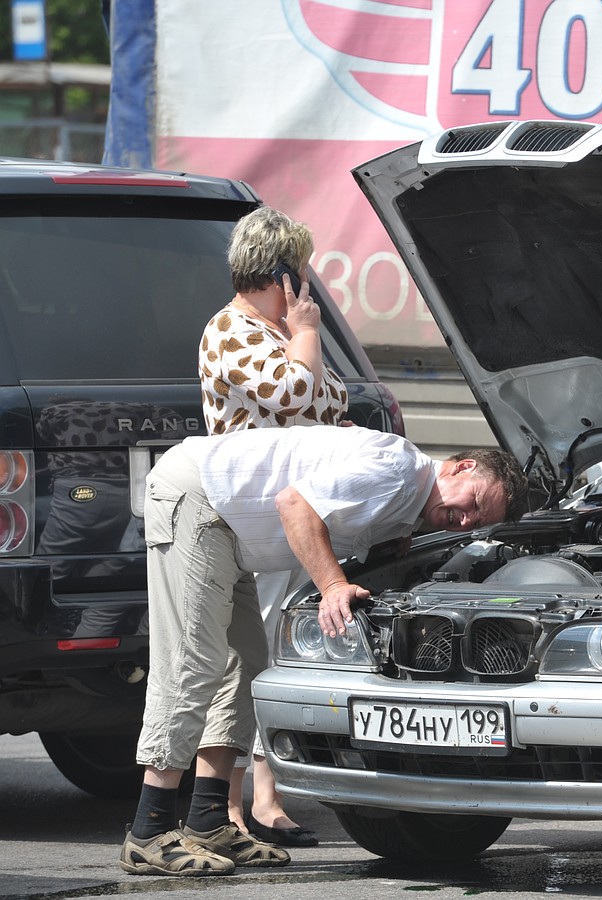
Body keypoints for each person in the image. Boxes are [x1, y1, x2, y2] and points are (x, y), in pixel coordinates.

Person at [118, 426, 528, 876]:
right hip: (199, 497)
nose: (467, 521)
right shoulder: (399, 471)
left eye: (478, 522)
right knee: (191, 663)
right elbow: (294, 504)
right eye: (473, 503)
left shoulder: (408, 501)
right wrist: (332, 585)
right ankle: (149, 831)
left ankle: (208, 821)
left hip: (228, 526)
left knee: (244, 668)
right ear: (462, 467)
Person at [198, 205, 348, 848]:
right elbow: (295, 394)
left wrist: (301, 338)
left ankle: (267, 797)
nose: (308, 282)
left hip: (294, 514)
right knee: (248, 655)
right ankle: (228, 806)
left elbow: (333, 399)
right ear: (283, 273)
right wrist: (306, 332)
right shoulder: (231, 330)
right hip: (254, 518)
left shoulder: (279, 328)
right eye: (302, 269)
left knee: (279, 649)